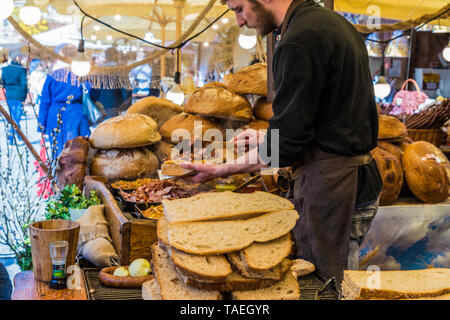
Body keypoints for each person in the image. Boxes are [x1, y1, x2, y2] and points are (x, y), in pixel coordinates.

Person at [181, 0, 382, 290]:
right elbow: (329, 116)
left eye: (239, 9)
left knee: (324, 287)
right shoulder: (334, 25)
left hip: (334, 189)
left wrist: (218, 170)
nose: (239, 21)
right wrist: (266, 137)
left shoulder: (298, 40)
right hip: (356, 180)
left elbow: (285, 147)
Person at [38, 68, 91, 160]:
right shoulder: (79, 73)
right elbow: (90, 91)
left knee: (57, 150)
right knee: (79, 148)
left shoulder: (53, 75)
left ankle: (58, 171)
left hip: (55, 114)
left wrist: (41, 125)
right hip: (76, 113)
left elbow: (45, 101)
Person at [89, 47, 132, 119]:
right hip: (114, 105)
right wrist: (125, 107)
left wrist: (94, 102)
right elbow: (126, 91)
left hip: (98, 105)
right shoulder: (120, 71)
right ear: (116, 56)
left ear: (106, 56)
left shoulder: (97, 70)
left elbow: (92, 90)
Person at [0, 53, 28, 145]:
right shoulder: (21, 70)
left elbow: (2, 82)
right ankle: (16, 136)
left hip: (9, 95)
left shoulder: (5, 69)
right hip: (19, 95)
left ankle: (12, 137)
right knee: (16, 117)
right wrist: (25, 97)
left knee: (12, 116)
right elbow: (24, 84)